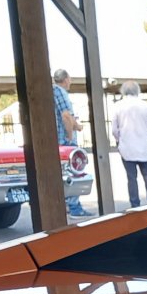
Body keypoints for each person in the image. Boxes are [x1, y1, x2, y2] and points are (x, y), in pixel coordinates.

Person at [111, 82, 147, 209]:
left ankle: (135, 203)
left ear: (123, 91)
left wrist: (119, 141)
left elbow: (114, 130)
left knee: (131, 178)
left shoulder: (118, 106)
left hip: (127, 147)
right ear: (137, 90)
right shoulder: (145, 106)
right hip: (143, 147)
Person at [52, 68, 89, 218]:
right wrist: (70, 135)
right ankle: (74, 207)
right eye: (70, 79)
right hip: (65, 141)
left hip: (59, 140)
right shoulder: (59, 91)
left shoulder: (53, 91)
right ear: (66, 79)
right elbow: (66, 115)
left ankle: (67, 205)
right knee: (74, 172)